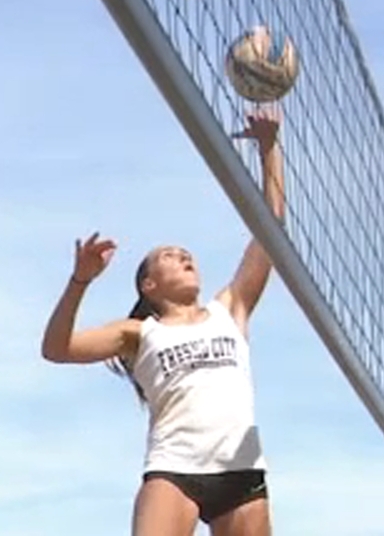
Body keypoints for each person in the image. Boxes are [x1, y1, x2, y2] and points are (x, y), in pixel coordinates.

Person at [40, 108, 284, 536]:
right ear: (149, 285)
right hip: (175, 470)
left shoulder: (231, 308)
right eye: (170, 255)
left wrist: (269, 149)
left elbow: (271, 230)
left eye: (186, 253)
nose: (184, 256)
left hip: (241, 469)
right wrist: (80, 280)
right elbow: (56, 349)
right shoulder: (137, 333)